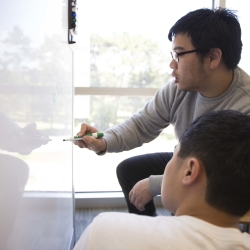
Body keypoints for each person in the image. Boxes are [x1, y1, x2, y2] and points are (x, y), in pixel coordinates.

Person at [75, 7, 250, 216]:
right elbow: (142, 124)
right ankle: (152, 237)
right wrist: (103, 141)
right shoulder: (179, 89)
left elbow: (224, 174)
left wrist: (155, 184)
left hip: (228, 178)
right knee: (129, 170)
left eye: (179, 54)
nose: (172, 63)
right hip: (190, 159)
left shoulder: (244, 105)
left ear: (213, 57)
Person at [73, 110, 250, 250]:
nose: (173, 65)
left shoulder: (105, 231)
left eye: (173, 155)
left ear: (189, 172)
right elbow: (140, 123)